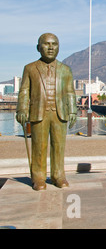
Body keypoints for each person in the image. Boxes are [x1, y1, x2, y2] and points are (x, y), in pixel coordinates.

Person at [16, 33, 77, 190]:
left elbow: (70, 91)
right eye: (47, 44)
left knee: (59, 146)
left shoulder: (65, 69)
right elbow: (24, 91)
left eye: (54, 44)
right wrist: (22, 109)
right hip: (38, 112)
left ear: (58, 47)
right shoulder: (30, 68)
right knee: (39, 146)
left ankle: (58, 175)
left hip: (59, 113)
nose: (51, 47)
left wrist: (73, 110)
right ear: (38, 47)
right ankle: (38, 177)